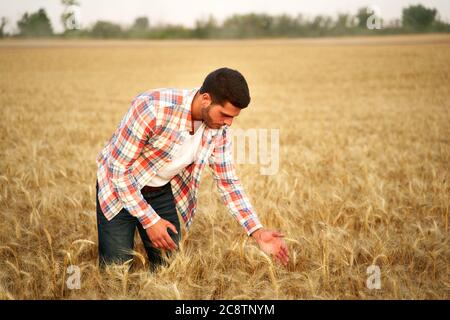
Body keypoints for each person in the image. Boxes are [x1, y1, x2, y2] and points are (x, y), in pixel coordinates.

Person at [95, 67, 290, 271]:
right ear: (206, 99)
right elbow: (118, 170)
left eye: (233, 117)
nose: (229, 123)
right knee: (115, 271)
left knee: (169, 268)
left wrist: (257, 231)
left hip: (159, 192)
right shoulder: (152, 108)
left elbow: (228, 182)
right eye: (224, 114)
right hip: (117, 189)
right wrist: (149, 220)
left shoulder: (218, 129)